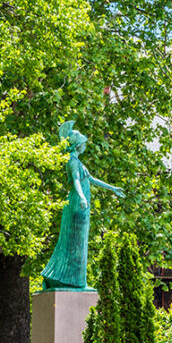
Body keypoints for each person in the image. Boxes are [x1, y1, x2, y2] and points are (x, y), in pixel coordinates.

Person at [41, 121, 124, 290]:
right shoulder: (72, 162)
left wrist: (112, 188)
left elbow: (91, 180)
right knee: (75, 243)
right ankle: (73, 281)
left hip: (81, 204)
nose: (86, 146)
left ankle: (73, 280)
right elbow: (76, 181)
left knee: (79, 242)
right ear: (78, 146)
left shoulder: (78, 161)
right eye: (84, 143)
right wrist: (81, 198)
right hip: (78, 205)